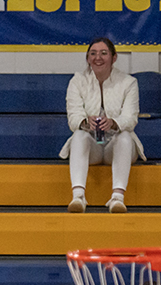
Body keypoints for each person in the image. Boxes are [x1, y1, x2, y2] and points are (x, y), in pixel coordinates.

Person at [62, 37, 143, 213]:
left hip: (118, 147)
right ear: (88, 58)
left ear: (114, 58)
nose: (98, 58)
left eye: (103, 53)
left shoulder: (129, 82)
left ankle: (117, 198)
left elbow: (131, 119)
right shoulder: (77, 81)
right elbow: (73, 118)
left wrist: (114, 123)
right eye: (93, 53)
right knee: (78, 135)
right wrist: (85, 122)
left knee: (125, 136)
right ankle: (78, 197)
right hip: (93, 147)